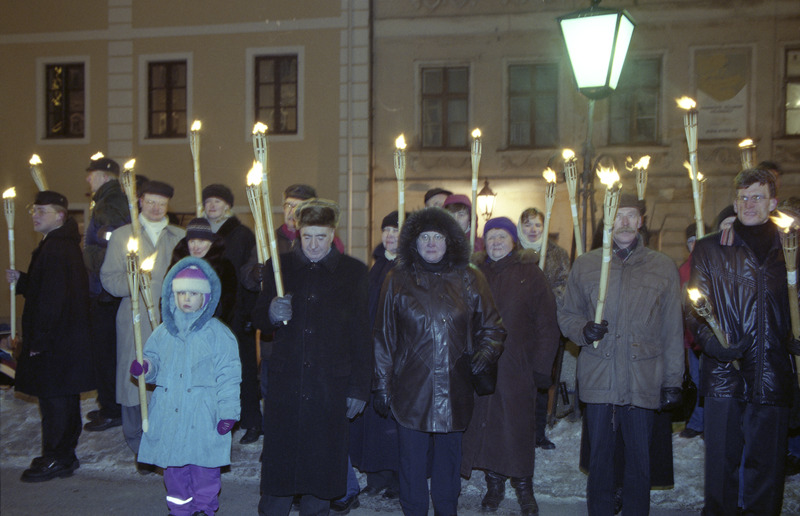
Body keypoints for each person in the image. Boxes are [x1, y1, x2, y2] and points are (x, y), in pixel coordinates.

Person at [374, 207, 506, 516]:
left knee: (448, 466)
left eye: (438, 237)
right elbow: (384, 337)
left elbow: (494, 326)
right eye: (424, 237)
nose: (431, 243)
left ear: (450, 241)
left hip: (454, 387)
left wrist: (485, 354)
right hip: (411, 389)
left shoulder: (470, 277)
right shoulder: (397, 279)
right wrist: (381, 384)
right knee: (412, 465)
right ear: (414, 242)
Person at [558, 193, 683, 516]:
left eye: (631, 215)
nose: (624, 222)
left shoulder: (662, 267)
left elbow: (672, 329)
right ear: (608, 220)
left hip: (644, 379)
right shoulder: (587, 265)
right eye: (618, 215)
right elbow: (567, 314)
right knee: (600, 462)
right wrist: (583, 329)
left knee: (639, 463)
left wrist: (673, 381)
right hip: (601, 376)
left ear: (641, 221)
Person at [689, 168, 800, 515]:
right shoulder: (711, 247)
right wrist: (711, 343)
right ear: (734, 202)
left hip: (773, 370)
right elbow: (694, 306)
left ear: (773, 202)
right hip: (725, 373)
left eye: (757, 196)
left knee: (766, 468)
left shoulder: (790, 248)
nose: (749, 204)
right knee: (721, 465)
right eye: (742, 197)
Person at [252, 198, 372, 516]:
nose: (314, 245)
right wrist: (271, 312)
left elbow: (362, 336)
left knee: (321, 472)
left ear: (332, 233)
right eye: (308, 237)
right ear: (298, 234)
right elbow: (259, 318)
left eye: (321, 237)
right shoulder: (279, 268)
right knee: (280, 472)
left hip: (329, 387)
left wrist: (360, 388)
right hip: (287, 385)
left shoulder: (354, 272)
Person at [461, 217, 560, 516]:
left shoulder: (530, 274)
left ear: (513, 240)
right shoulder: (474, 274)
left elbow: (547, 324)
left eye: (502, 237)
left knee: (517, 429)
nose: (496, 242)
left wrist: (542, 367)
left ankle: (524, 488)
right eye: (490, 237)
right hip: (482, 366)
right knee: (487, 426)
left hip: (518, 366)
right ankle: (494, 485)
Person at [132, 257, 241, 516]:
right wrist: (146, 367)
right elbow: (155, 360)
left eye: (193, 293)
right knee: (174, 470)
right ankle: (179, 509)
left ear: (207, 297)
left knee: (205, 468)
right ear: (173, 295)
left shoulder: (218, 334)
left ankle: (204, 508)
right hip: (171, 413)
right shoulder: (163, 332)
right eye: (181, 293)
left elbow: (229, 376)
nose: (187, 299)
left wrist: (228, 412)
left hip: (204, 414)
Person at [6, 191, 93, 482]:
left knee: (54, 402)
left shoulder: (55, 249)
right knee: (65, 400)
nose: (35, 214)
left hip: (54, 343)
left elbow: (52, 301)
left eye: (42, 210)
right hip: (65, 341)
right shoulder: (60, 246)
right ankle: (65, 456)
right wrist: (25, 280)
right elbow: (50, 289)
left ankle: (55, 456)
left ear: (60, 216)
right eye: (35, 209)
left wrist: (39, 342)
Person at [100, 180, 185, 462]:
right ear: (139, 201)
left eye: (162, 203)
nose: (156, 208)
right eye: (151, 201)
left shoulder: (178, 236)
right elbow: (109, 278)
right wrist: (136, 283)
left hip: (171, 317)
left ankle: (165, 437)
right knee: (134, 378)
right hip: (134, 316)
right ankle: (137, 439)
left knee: (168, 377)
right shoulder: (124, 236)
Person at [348, 211, 403, 504]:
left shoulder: (407, 267)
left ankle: (396, 478)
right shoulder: (377, 266)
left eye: (396, 230)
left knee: (392, 420)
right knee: (372, 419)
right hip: (371, 351)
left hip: (395, 354)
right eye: (387, 230)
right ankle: (377, 476)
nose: (390, 236)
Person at [202, 183, 262, 444]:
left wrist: (249, 313)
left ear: (228, 205)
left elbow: (247, 276)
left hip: (236, 312)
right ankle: (222, 418)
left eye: (218, 201)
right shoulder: (199, 232)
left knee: (243, 369)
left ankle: (252, 421)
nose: (212, 205)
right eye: (208, 201)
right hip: (207, 311)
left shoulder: (241, 234)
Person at [82, 155, 130, 432]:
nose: (88, 179)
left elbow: (112, 243)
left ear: (105, 176)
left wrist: (90, 253)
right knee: (107, 351)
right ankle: (110, 405)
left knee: (106, 352)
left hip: (104, 291)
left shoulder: (109, 202)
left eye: (92, 174)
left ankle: (112, 409)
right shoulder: (105, 200)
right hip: (105, 289)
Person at [517, 206, 571, 450]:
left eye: (537, 225)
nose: (533, 229)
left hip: (546, 326)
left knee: (541, 380)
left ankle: (538, 432)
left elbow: (564, 285)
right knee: (517, 381)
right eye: (528, 224)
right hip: (517, 328)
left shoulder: (556, 254)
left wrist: (545, 298)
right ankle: (517, 430)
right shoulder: (512, 251)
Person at [170, 218, 237, 324]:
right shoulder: (178, 265)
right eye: (192, 241)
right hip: (180, 325)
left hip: (212, 326)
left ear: (211, 243)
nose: (196, 247)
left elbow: (229, 303)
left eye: (201, 241)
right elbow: (167, 297)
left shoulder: (224, 267)